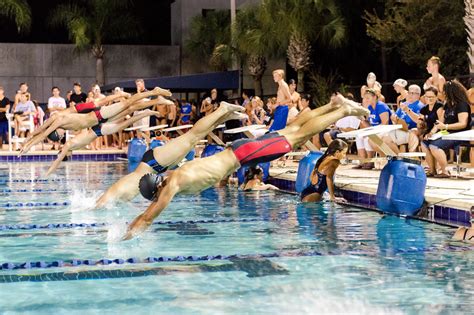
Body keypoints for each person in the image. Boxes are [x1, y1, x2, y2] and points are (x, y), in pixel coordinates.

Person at [122, 95, 370, 239]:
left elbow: (148, 216)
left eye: (155, 196)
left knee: (298, 136)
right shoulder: (176, 173)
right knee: (294, 129)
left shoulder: (171, 184)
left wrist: (124, 236)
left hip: (243, 154)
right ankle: (332, 104)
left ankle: (343, 109)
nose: (159, 199)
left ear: (156, 190)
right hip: (240, 150)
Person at [95, 101, 247, 208]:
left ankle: (222, 109)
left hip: (154, 162)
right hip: (154, 164)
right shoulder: (120, 195)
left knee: (191, 137)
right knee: (194, 139)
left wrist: (92, 209)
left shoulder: (111, 196)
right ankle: (225, 116)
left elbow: (102, 201)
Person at [20, 88, 170, 155]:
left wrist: (28, 145)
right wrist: (27, 141)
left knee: (108, 102)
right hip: (92, 119)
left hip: (82, 111)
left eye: (59, 136)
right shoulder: (58, 123)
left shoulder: (57, 120)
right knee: (128, 110)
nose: (61, 136)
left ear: (56, 132)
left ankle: (148, 94)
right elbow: (39, 131)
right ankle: (150, 102)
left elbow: (42, 132)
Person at [45, 110, 161, 176]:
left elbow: (57, 160)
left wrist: (49, 172)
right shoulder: (74, 145)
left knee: (124, 123)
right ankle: (146, 112)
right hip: (97, 129)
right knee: (121, 117)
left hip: (99, 130)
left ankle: (146, 113)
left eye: (67, 156)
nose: (70, 156)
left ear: (65, 153)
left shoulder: (68, 145)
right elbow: (84, 133)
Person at [421, 80, 472, 178]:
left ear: (451, 92)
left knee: (434, 146)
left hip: (458, 134)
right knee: (425, 142)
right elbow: (440, 122)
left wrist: (446, 127)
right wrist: (431, 133)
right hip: (445, 133)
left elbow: (463, 124)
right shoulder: (448, 104)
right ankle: (432, 170)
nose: (443, 93)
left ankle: (445, 171)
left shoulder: (462, 105)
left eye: (445, 91)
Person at [376, 84, 424, 155]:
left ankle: (399, 158)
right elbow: (395, 115)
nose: (410, 95)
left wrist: (407, 111)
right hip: (400, 129)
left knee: (387, 139)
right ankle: (395, 158)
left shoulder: (420, 106)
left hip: (411, 130)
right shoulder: (404, 104)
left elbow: (419, 121)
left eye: (413, 93)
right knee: (380, 138)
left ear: (418, 95)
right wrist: (394, 117)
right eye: (409, 92)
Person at [354, 88, 391, 169]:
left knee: (368, 137)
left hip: (385, 130)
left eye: (368, 98)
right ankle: (363, 161)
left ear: (374, 97)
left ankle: (370, 161)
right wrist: (362, 119)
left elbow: (385, 123)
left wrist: (372, 131)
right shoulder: (370, 108)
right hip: (375, 130)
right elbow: (369, 124)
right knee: (359, 136)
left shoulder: (381, 106)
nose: (366, 100)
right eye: (364, 98)